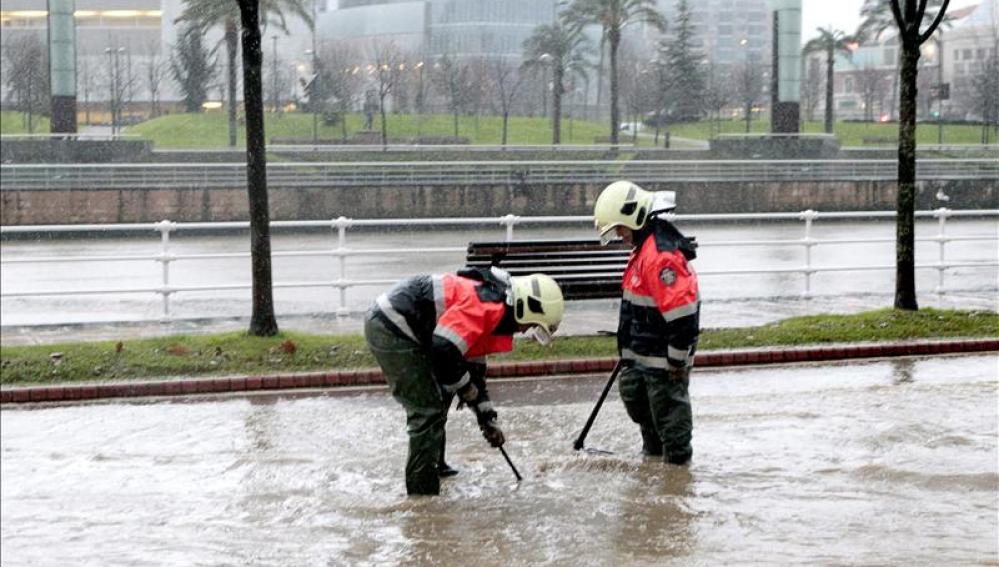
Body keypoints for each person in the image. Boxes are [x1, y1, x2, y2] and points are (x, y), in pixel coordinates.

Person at [364, 267, 564, 495]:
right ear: (526, 310)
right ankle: (423, 496)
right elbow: (444, 352)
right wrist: (467, 389)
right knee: (427, 410)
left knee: (443, 394)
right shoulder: (485, 308)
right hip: (391, 325)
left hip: (409, 325)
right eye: (532, 326)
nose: (526, 331)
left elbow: (473, 372)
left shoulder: (495, 311)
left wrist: (486, 418)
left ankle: (435, 465)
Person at [593, 180, 701, 465]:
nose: (619, 235)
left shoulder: (661, 256)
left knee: (670, 422)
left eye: (620, 228)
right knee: (646, 416)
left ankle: (676, 477)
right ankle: (654, 466)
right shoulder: (644, 249)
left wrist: (676, 363)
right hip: (641, 358)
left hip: (662, 363)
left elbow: (683, 317)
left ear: (634, 219)